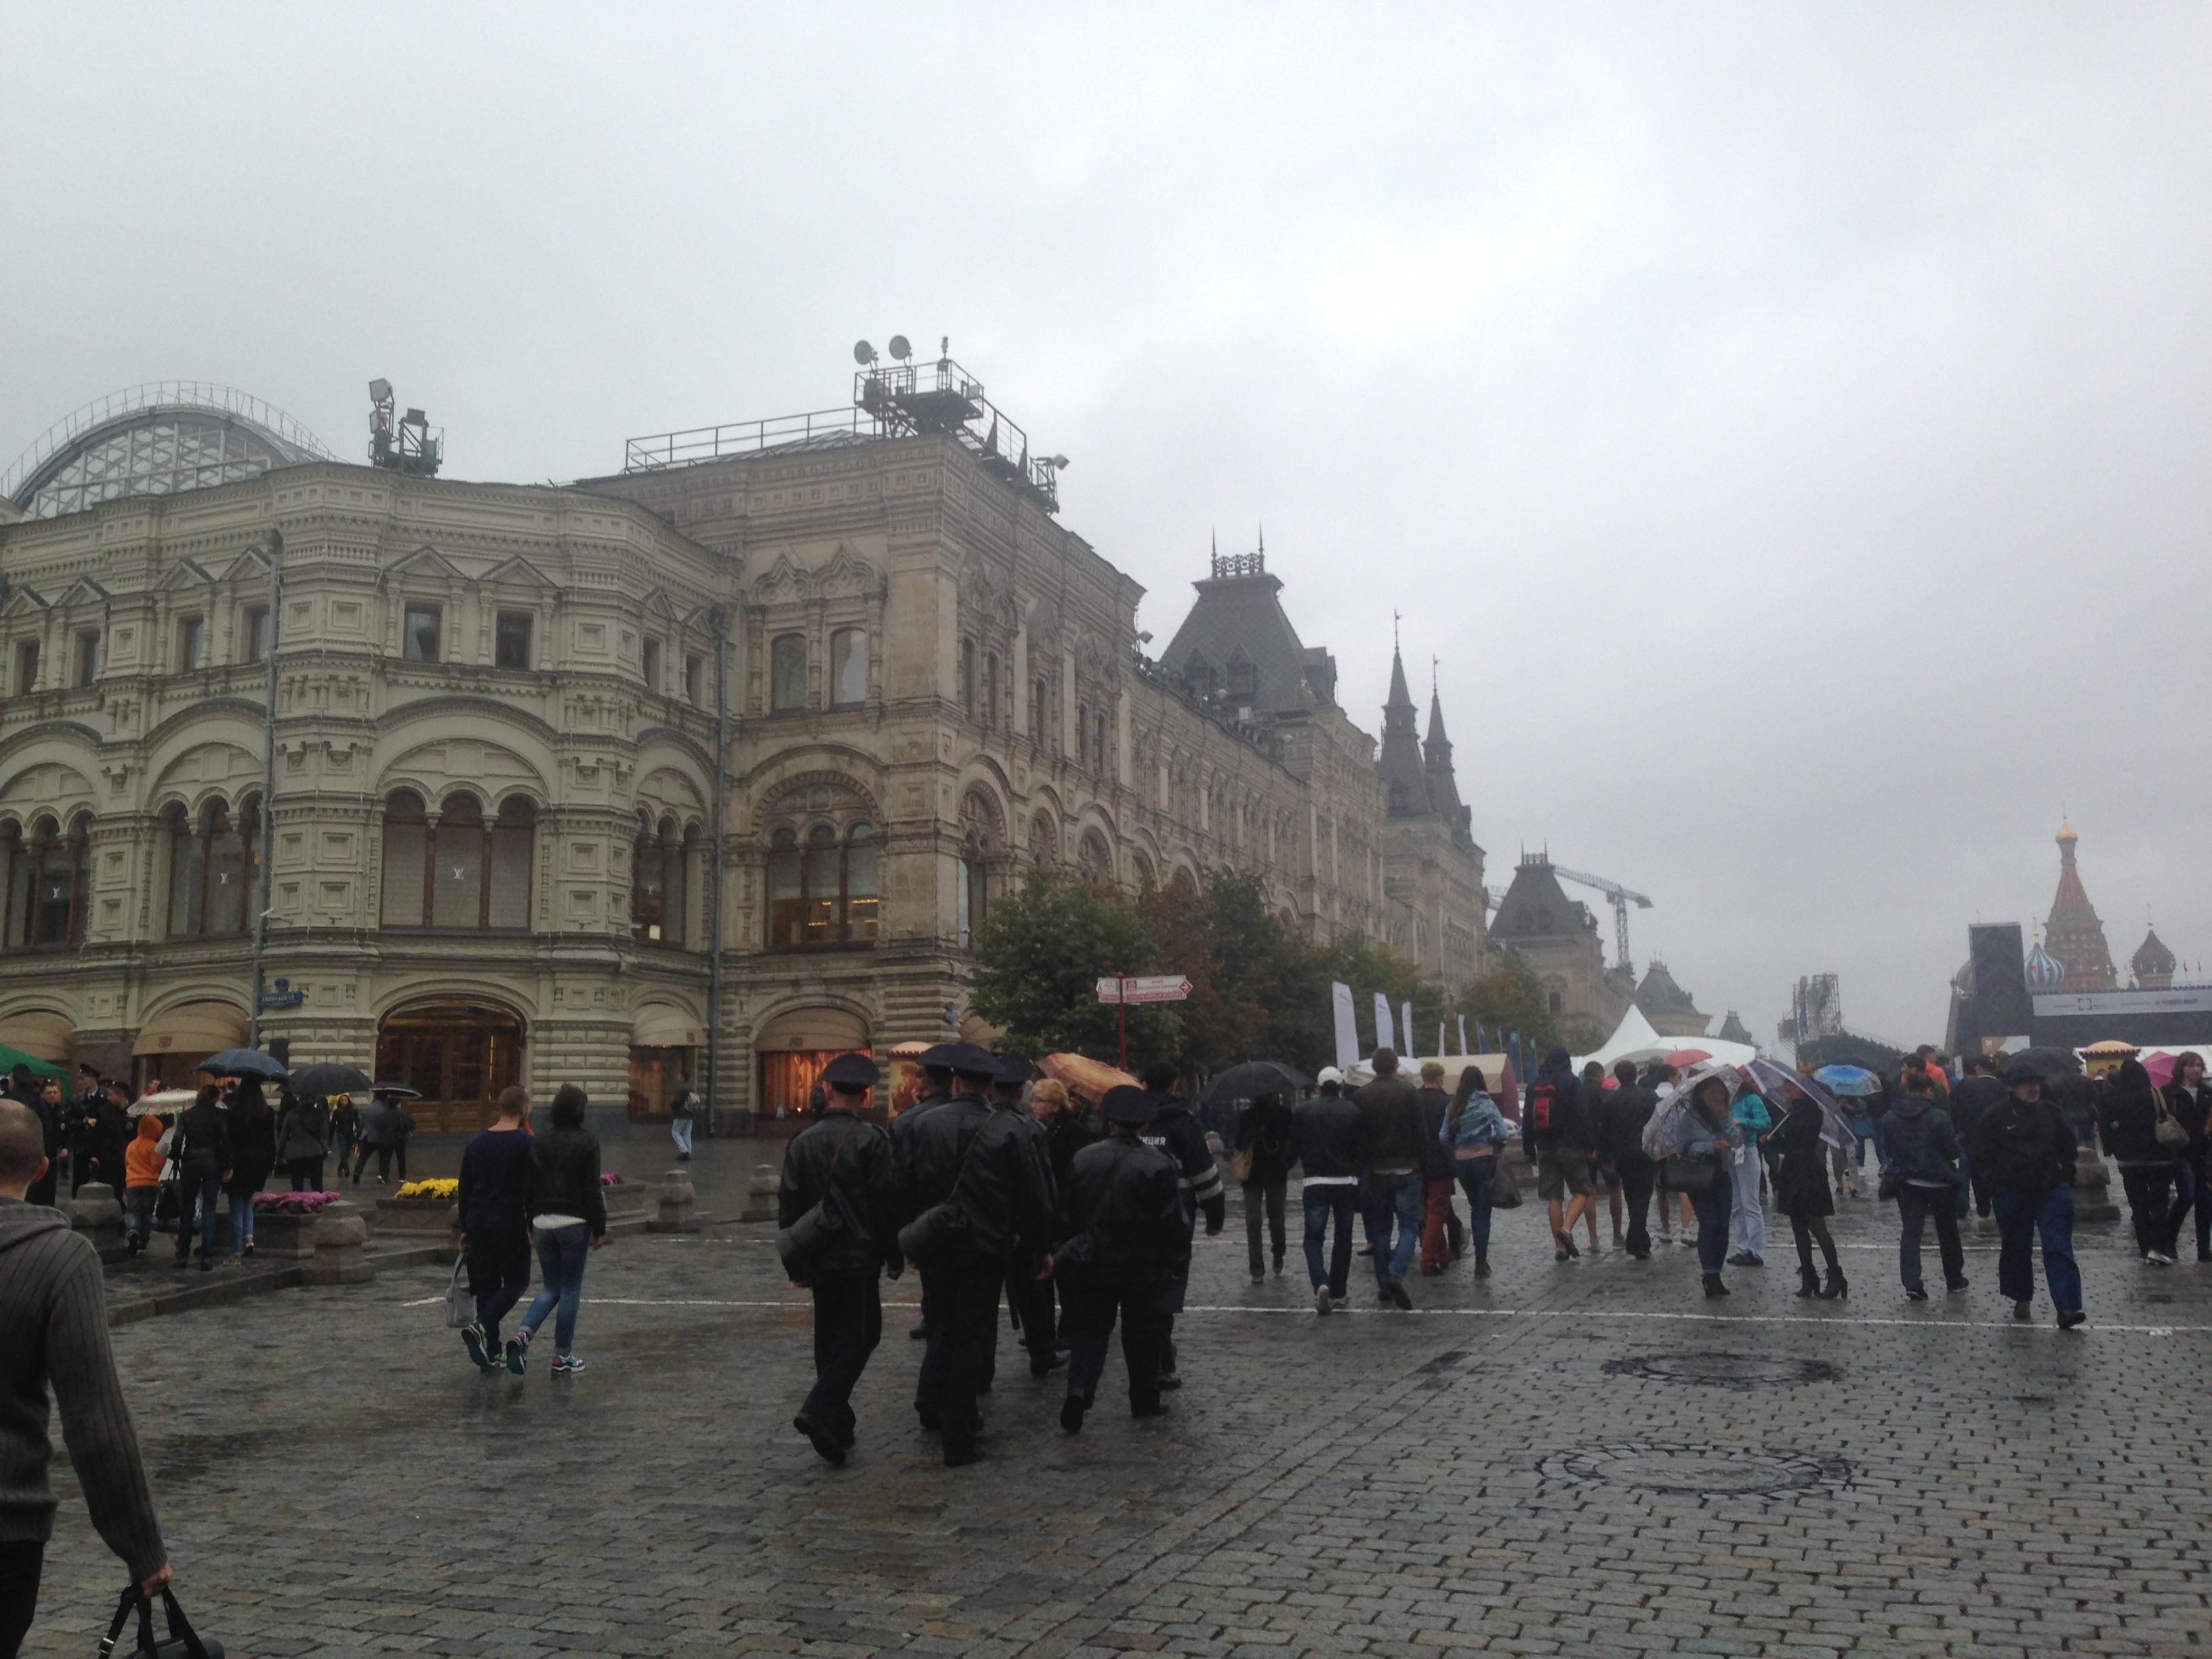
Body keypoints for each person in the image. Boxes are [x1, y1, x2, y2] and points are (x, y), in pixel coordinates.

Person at [0, 1101, 171, 1657]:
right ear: (42, 1169)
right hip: (8, 1524)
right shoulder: (60, 1258)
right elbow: (95, 1418)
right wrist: (142, 1549)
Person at [903, 1044, 1052, 1467]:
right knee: (972, 1333)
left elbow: (904, 1182)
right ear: (990, 1086)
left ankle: (933, 1398)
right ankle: (959, 1431)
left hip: (935, 1241)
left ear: (956, 1081)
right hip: (984, 1244)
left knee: (940, 1322)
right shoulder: (1010, 1128)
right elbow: (1033, 1195)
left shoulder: (923, 1123)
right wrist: (1039, 1246)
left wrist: (910, 1235)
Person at [778, 1053, 905, 1465]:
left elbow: (789, 1205)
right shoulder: (872, 1140)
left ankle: (839, 1422)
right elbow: (885, 1202)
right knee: (863, 1336)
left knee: (828, 1338)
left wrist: (797, 1265)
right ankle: (819, 1410)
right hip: (858, 1256)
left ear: (829, 1091)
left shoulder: (802, 1141)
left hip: (819, 1253)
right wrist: (894, 1255)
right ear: (865, 1095)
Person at [1053, 1084, 1189, 1433]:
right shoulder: (1158, 1164)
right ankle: (1143, 1398)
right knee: (1140, 1332)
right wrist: (1176, 1262)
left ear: (1110, 1122)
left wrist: (1068, 1248)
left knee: (1090, 1330)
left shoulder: (1083, 1158)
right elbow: (1173, 1221)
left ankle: (1080, 1388)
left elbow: (1066, 1212)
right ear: (1143, 1125)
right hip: (1140, 1264)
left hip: (1092, 1258)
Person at [1969, 1063, 2085, 1328]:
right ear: (2014, 1086)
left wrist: (2064, 1172)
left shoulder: (2051, 1112)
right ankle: (2021, 1296)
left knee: (2058, 1246)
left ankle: (2067, 1307)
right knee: (2016, 1246)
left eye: (2036, 1082)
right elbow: (1980, 1153)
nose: (2033, 1087)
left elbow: (2069, 1148)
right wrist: (1994, 1181)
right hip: (2011, 1191)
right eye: (2027, 1083)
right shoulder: (1996, 1116)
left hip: (2050, 1189)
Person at [507, 1084, 609, 1376]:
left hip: (542, 1222)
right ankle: (562, 1356)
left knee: (550, 1287)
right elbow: (591, 1189)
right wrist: (600, 1227)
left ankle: (522, 1335)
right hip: (574, 1222)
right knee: (570, 1289)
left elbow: (528, 1186)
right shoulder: (588, 1141)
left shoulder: (538, 1140)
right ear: (580, 1112)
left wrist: (530, 1221)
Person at [1137, 1061, 1225, 1389]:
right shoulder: (1182, 1122)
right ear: (1174, 1085)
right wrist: (1215, 1217)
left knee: (1139, 1288)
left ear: (1144, 1083)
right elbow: (1204, 1174)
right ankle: (1162, 1357)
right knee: (1169, 1284)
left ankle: (1149, 1358)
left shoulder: (1132, 1119)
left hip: (1132, 1216)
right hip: (1175, 1218)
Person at [991, 1055, 1064, 1378]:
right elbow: (1039, 1191)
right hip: (1019, 1231)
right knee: (1032, 1295)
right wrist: (1044, 1241)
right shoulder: (1027, 1130)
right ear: (1021, 1093)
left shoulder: (978, 1125)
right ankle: (1041, 1353)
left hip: (981, 1228)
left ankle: (979, 1373)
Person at [454, 1086, 536, 1374]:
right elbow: (532, 1188)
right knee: (517, 1280)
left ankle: (492, 1352)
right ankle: (480, 1327)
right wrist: (532, 1224)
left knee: (486, 1287)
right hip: (509, 1219)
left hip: (478, 1219)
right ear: (524, 1109)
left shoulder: (476, 1143)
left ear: (500, 1107)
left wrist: (465, 1227)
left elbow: (464, 1188)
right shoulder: (526, 1144)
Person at [1878, 1069, 1967, 1299]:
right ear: (1929, 1090)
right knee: (1947, 1232)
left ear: (1909, 1090)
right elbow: (1952, 1151)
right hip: (1940, 1182)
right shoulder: (1939, 1117)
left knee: (1911, 1233)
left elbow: (1889, 1150)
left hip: (1908, 1182)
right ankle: (1954, 1278)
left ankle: (1912, 1283)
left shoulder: (1890, 1118)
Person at [890, 1047, 959, 1345]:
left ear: (923, 1083)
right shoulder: (980, 1116)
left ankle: (933, 1320)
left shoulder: (905, 1122)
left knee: (931, 1275)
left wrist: (903, 1230)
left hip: (926, 1214)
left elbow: (899, 1182)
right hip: (970, 1213)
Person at [1661, 1069, 1737, 1297]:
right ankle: (1708, 1274)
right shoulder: (1690, 1119)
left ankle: (1717, 1273)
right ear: (1701, 1095)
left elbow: (1737, 1140)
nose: (1717, 1097)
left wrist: (1725, 1119)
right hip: (1699, 1178)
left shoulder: (1724, 1117)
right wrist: (1711, 1146)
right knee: (1710, 1223)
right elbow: (1683, 1148)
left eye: (1721, 1093)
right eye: (1712, 1093)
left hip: (1722, 1174)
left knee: (1723, 1225)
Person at [2098, 1057, 2179, 1265]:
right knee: (2160, 1203)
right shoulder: (2157, 1094)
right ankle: (2159, 1247)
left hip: (2129, 1161)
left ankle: (2145, 1250)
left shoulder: (2111, 1099)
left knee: (2139, 1205)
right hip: (2159, 1157)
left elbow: (2105, 1128)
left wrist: (2111, 1150)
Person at [1295, 1069, 1363, 1312]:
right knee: (1343, 1238)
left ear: (1319, 1087)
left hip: (1315, 1181)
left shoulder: (1304, 1111)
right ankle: (1339, 1290)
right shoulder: (1353, 1111)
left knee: (1313, 1237)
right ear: (1341, 1086)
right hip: (1346, 1181)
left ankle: (1320, 1281)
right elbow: (1361, 1147)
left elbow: (1295, 1145)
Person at [1770, 1083, 1845, 1298]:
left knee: (1816, 1225)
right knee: (1798, 1226)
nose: (1785, 1094)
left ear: (1800, 1091)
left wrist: (1789, 1120)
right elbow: (1787, 1144)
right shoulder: (1790, 1112)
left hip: (1809, 1171)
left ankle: (1835, 1275)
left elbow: (1803, 1136)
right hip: (1791, 1170)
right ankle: (1809, 1276)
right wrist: (1773, 1140)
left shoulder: (1812, 1111)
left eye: (1788, 1090)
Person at [1523, 1045, 1596, 1262]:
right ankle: (1566, 1229)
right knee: (1582, 1190)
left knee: (1554, 1197)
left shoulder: (1535, 1085)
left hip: (1545, 1148)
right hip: (1571, 1146)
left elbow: (1527, 1120)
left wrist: (1529, 1149)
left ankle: (1560, 1249)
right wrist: (1590, 1146)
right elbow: (1582, 1115)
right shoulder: (1571, 1082)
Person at [1441, 1067, 1510, 1276]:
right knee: (1482, 1210)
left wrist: (1455, 1153)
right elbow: (1503, 1133)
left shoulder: (1455, 1104)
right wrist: (1493, 1143)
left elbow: (1443, 1137)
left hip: (1462, 1162)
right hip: (1483, 1161)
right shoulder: (1486, 1103)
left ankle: (1479, 1256)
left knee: (1474, 1206)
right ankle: (1481, 1261)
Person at [1597, 1061, 1658, 1259]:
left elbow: (1605, 1132)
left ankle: (1640, 1239)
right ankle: (1636, 1239)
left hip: (1622, 1154)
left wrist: (1605, 1156)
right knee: (1643, 1195)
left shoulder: (1610, 1100)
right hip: (1645, 1151)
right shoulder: (1649, 1096)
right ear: (1636, 1074)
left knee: (1631, 1195)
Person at [1235, 1090, 1296, 1282]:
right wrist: (1254, 1131)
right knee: (1253, 1221)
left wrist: (1286, 1164)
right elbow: (1238, 1143)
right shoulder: (1249, 1116)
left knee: (1277, 1218)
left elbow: (1294, 1143)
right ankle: (1256, 1268)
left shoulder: (1285, 1116)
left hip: (1276, 1173)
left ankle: (1278, 1252)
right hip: (1252, 1175)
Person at [170, 1084, 231, 1271]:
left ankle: (183, 1255)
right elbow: (225, 1140)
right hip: (212, 1161)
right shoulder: (219, 1115)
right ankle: (206, 1256)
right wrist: (227, 1164)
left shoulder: (187, 1115)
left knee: (187, 1209)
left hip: (191, 1161)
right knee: (209, 1208)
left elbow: (177, 1138)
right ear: (215, 1098)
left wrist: (176, 1158)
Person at [1413, 1062, 1465, 1273]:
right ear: (1440, 1078)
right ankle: (1428, 1260)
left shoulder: (1414, 1100)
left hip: (1418, 1162)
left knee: (1428, 1209)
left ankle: (1443, 1254)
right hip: (1441, 1162)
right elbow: (1453, 1133)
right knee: (1438, 1211)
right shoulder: (1447, 1103)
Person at [2162, 1051, 2210, 1263]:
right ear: (2182, 1068)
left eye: (2199, 1065)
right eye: (2192, 1065)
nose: (2196, 1069)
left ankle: (2204, 1249)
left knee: (2205, 1201)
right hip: (2181, 1152)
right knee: (2187, 1196)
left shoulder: (2207, 1092)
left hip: (2204, 1151)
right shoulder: (2170, 1093)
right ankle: (2169, 1241)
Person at [1948, 1054, 2009, 1220]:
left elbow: (1954, 1109)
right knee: (1994, 1172)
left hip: (1968, 1136)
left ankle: (1964, 1206)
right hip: (1994, 1139)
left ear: (1979, 1068)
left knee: (1966, 1171)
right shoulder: (2002, 1088)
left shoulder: (1965, 1086)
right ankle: (1992, 1207)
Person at [225, 1077, 277, 1263]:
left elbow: (228, 1142)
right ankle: (249, 1237)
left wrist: (227, 1164)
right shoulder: (267, 1113)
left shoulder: (233, 1113)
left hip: (238, 1163)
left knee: (236, 1206)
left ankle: (236, 1253)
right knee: (248, 1200)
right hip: (258, 1164)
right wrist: (270, 1165)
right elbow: (270, 1142)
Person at [1725, 1077, 1771, 1268]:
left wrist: (1742, 1121)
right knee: (1736, 1204)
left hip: (1748, 1150)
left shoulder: (1751, 1099)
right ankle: (1743, 1247)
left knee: (1750, 1203)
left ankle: (1756, 1250)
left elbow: (1765, 1123)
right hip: (1730, 1153)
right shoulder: (1728, 1102)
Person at [1578, 1061, 1622, 1250]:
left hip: (1584, 1149)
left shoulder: (1578, 1095)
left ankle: (1593, 1239)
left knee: (1590, 1192)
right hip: (1606, 1150)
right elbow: (1612, 1126)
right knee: (1615, 1189)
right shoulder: (1606, 1095)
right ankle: (1617, 1233)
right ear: (1600, 1075)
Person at [9, 1069, 60, 1210]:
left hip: (9, 1156)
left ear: (15, 1081)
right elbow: (47, 1130)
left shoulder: (7, 1100)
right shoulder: (39, 1102)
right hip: (37, 1156)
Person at [122, 1113, 164, 1256]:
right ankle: (143, 1240)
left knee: (133, 1211)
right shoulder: (154, 1147)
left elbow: (127, 1163)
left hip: (132, 1183)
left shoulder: (131, 1145)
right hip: (151, 1183)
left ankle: (132, 1232)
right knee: (147, 1213)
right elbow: (157, 1165)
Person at [354, 1088, 413, 1186]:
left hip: (369, 1136)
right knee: (387, 1157)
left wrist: (360, 1134)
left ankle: (358, 1172)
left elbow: (361, 1122)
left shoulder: (368, 1108)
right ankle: (386, 1175)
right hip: (385, 1138)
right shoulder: (386, 1110)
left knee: (364, 1156)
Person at [275, 1090, 331, 1192]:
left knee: (297, 1187)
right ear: (314, 1099)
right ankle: (316, 1201)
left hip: (295, 1154)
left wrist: (280, 1154)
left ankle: (299, 1202)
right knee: (317, 1186)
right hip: (315, 1153)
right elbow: (324, 1134)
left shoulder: (291, 1114)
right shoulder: (320, 1114)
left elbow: (283, 1137)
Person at [668, 1076, 699, 1162]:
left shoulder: (680, 1087)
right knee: (687, 1133)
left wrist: (672, 1106)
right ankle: (688, 1150)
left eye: (679, 1076)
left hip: (681, 1114)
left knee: (675, 1132)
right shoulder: (691, 1087)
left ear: (682, 1077)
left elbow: (677, 1100)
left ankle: (684, 1150)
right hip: (690, 1114)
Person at [330, 1094, 360, 1183]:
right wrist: (331, 1135)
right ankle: (346, 1169)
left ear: (348, 1101)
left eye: (345, 1100)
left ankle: (340, 1168)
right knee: (343, 1150)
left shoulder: (353, 1110)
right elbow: (333, 1124)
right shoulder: (337, 1111)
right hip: (341, 1133)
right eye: (342, 1100)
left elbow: (357, 1122)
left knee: (347, 1152)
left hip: (350, 1133)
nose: (344, 1102)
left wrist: (358, 1132)